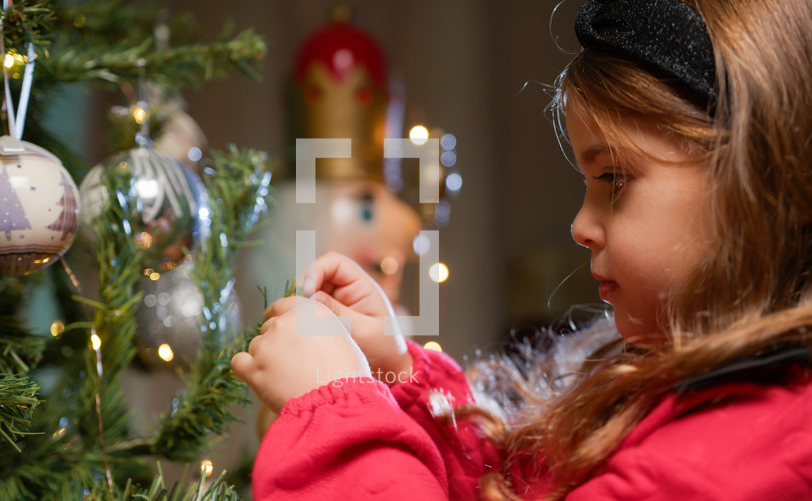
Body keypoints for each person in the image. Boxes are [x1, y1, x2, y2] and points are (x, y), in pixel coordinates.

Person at [230, 0, 812, 498]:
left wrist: (335, 416)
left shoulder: (726, 462)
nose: (581, 225)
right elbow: (505, 480)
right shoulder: (666, 387)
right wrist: (397, 373)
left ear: (757, 181)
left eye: (614, 180)